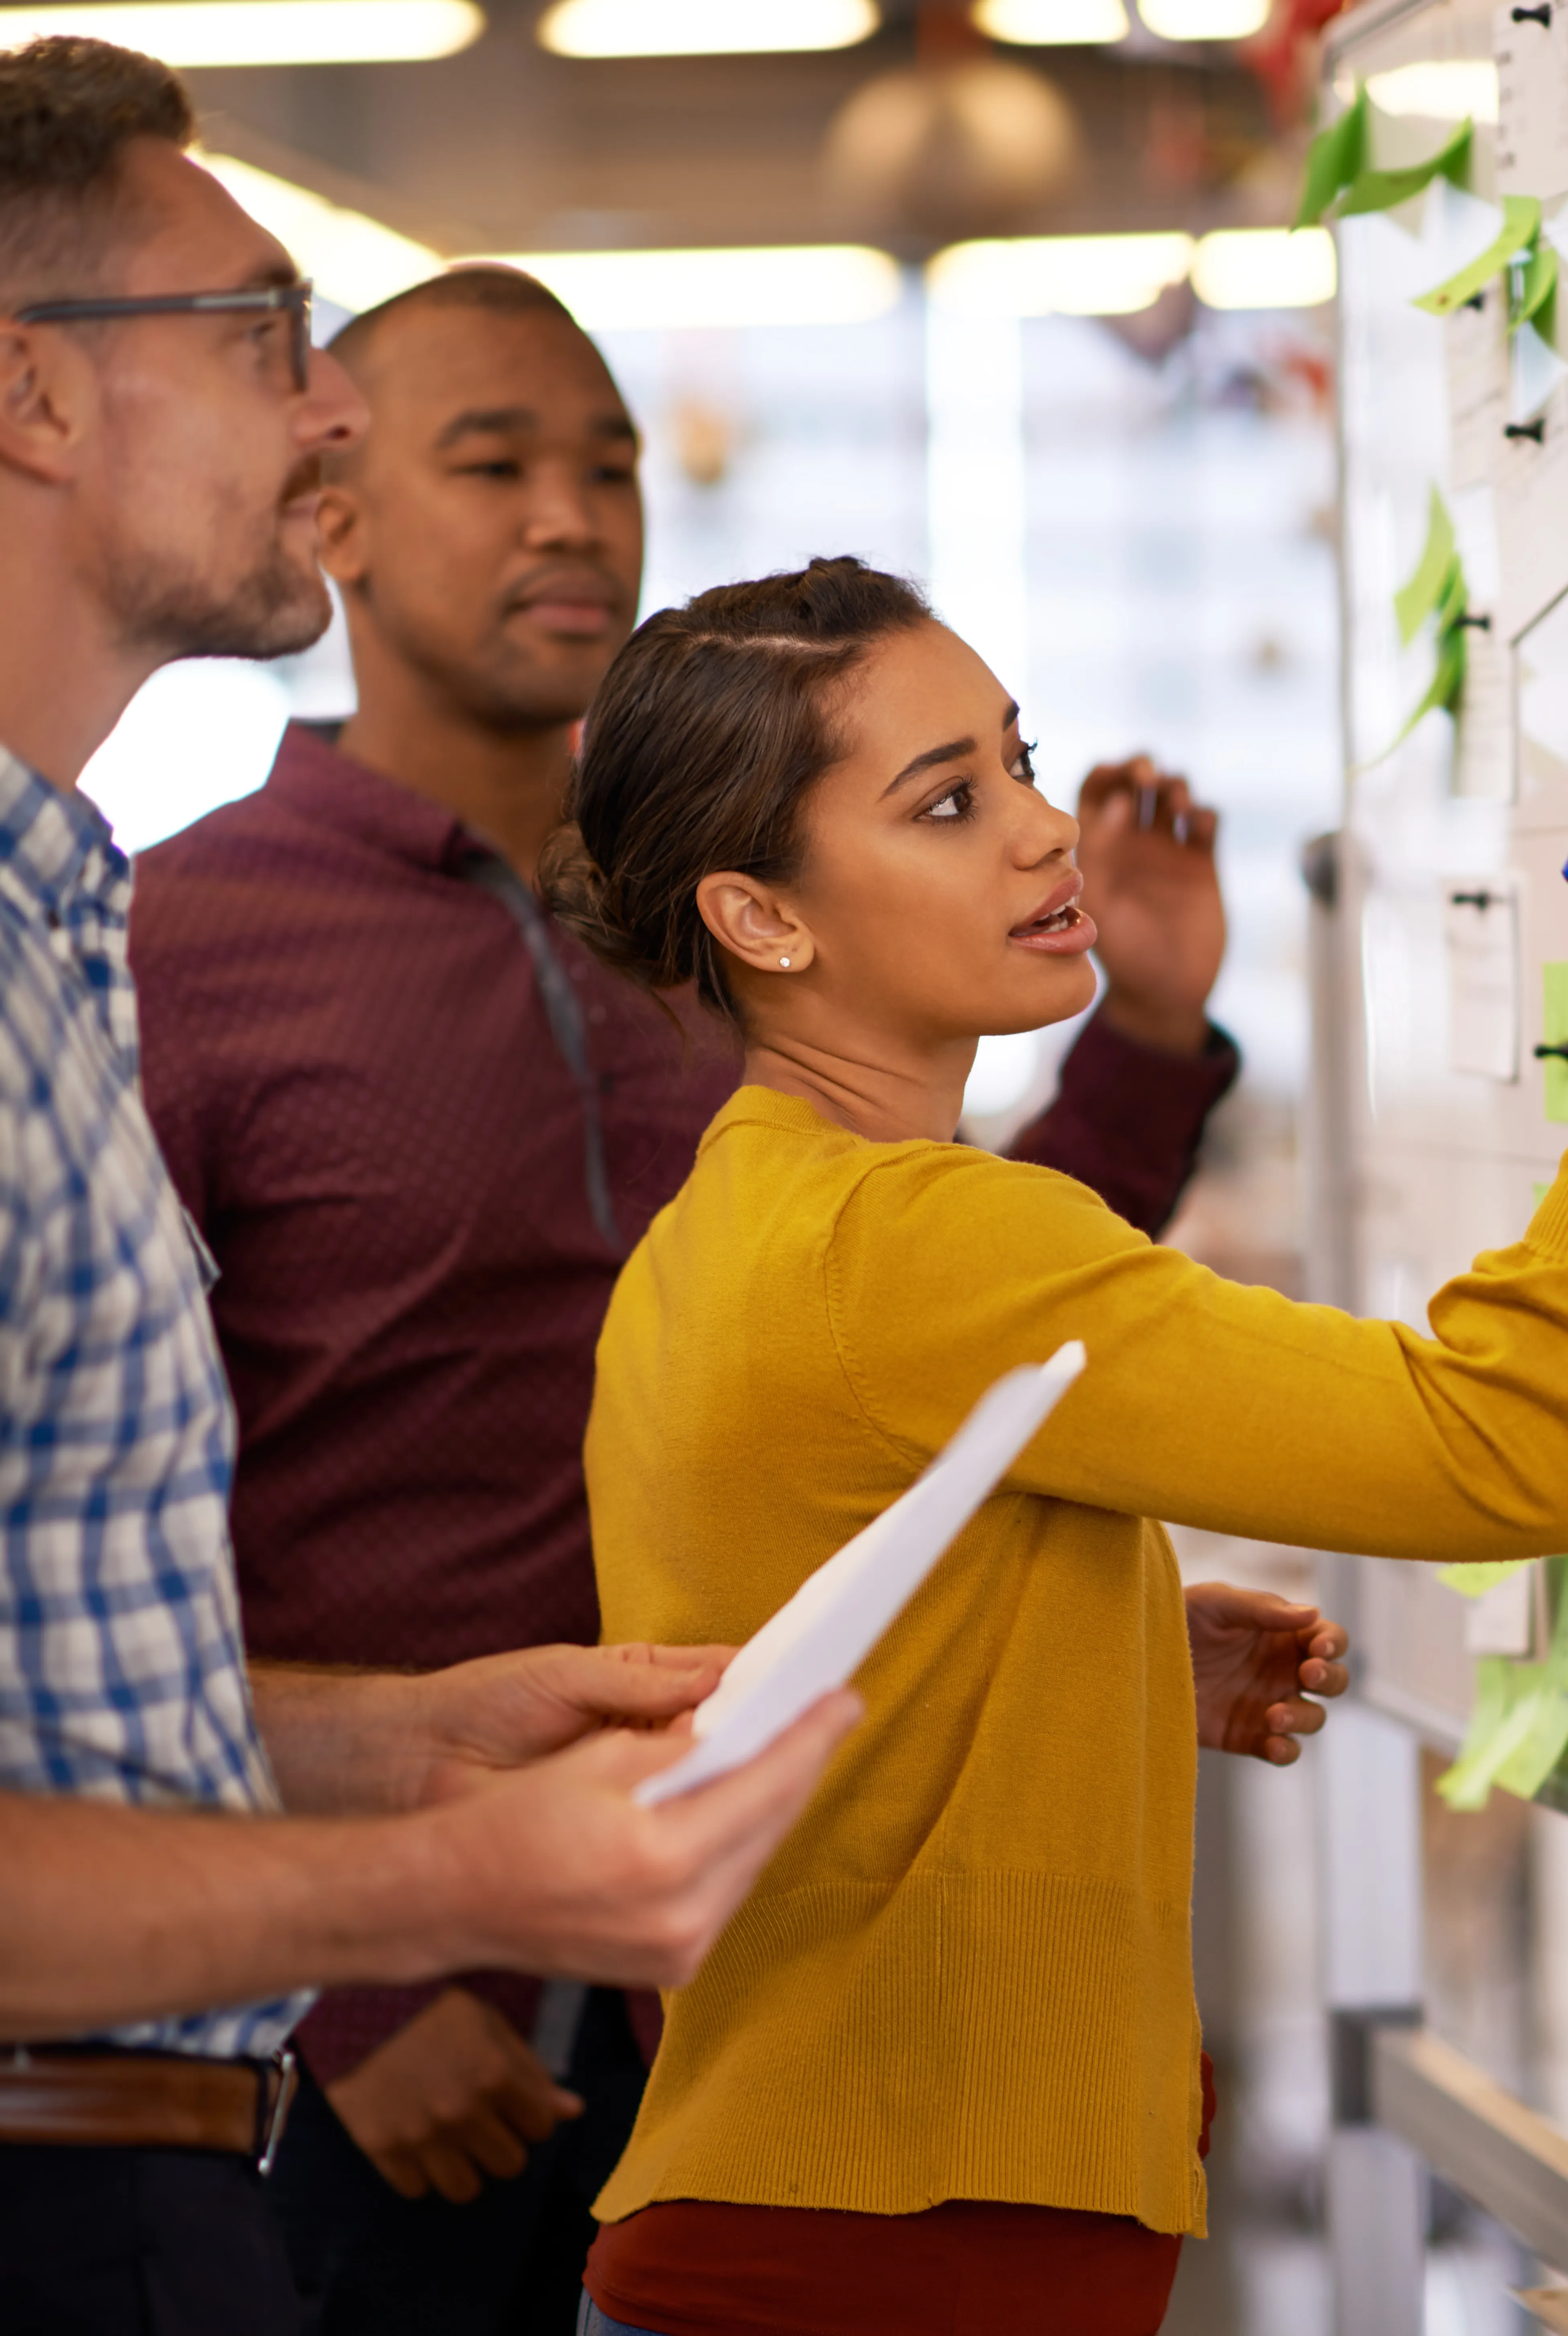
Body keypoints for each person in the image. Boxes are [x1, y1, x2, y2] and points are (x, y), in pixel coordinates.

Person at [126, 262, 1347, 2327]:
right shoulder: (186, 936)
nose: (571, 516)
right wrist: (344, 1981)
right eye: (491, 461)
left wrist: (1141, 1035)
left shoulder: (735, 924)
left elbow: (977, 1345)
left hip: (785, 1966)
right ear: (328, 512)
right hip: (411, 2014)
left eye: (607, 461)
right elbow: (109, 1503)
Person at [545, 556, 1568, 2336]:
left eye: (1019, 760)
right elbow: (1505, 1448)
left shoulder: (737, 1220)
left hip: (809, 2234)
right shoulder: (919, 1238)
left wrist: (1092, 1644)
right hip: (881, 2269)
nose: (1047, 831)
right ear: (762, 919)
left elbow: (791, 1657)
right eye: (950, 801)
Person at [0, 40, 861, 2335]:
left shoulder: (53, 921)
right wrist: (400, 1917)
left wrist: (406, 1741)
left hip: (314, 2115)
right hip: (183, 2135)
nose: (318, 423)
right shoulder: (161, 934)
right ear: (35, 397)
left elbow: (80, 1657)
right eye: (266, 340)